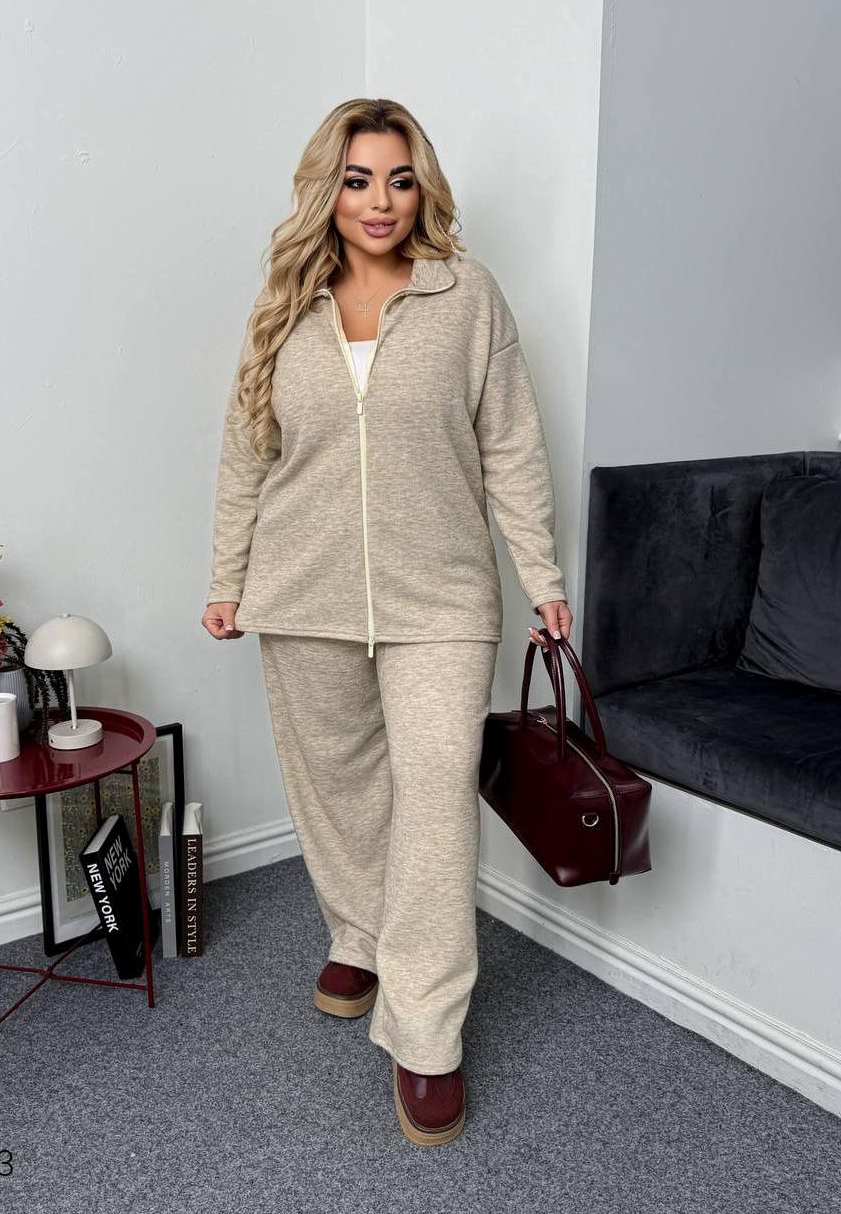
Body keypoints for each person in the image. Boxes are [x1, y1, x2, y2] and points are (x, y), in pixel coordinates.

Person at [202, 97, 572, 1147]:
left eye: (400, 179)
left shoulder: (467, 297)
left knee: (437, 793)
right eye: (359, 179)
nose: (380, 201)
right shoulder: (285, 304)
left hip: (442, 594)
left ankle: (427, 1031)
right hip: (304, 587)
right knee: (339, 786)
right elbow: (247, 452)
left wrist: (541, 574)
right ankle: (360, 935)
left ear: (423, 189)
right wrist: (228, 576)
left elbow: (512, 444)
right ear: (328, 190)